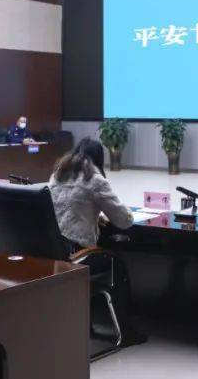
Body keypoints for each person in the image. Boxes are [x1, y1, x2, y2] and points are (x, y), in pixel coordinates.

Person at [48, 137, 145, 345]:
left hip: (53, 253)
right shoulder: (94, 178)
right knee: (117, 266)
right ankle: (127, 332)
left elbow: (69, 207)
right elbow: (124, 220)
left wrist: (94, 216)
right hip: (76, 255)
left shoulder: (58, 174)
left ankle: (89, 325)